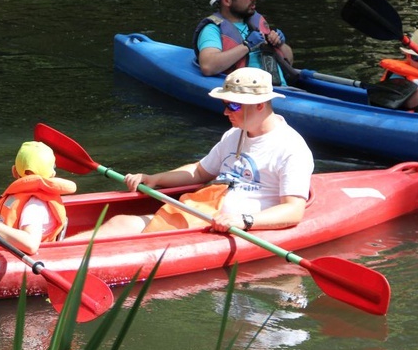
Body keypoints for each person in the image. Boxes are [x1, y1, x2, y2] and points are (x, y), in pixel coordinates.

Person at [68, 67, 314, 240]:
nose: (226, 112)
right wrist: (155, 178)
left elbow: (293, 211)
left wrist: (245, 221)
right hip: (201, 212)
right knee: (120, 222)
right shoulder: (234, 135)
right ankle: (51, 252)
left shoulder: (291, 148)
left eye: (234, 105)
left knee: (123, 228)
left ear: (260, 105)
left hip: (227, 227)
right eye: (225, 104)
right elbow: (199, 171)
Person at [193, 0, 294, 86]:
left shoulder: (256, 21)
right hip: (248, 92)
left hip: (280, 89)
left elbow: (289, 61)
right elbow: (208, 66)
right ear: (227, 1)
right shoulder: (212, 29)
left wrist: (280, 44)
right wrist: (247, 46)